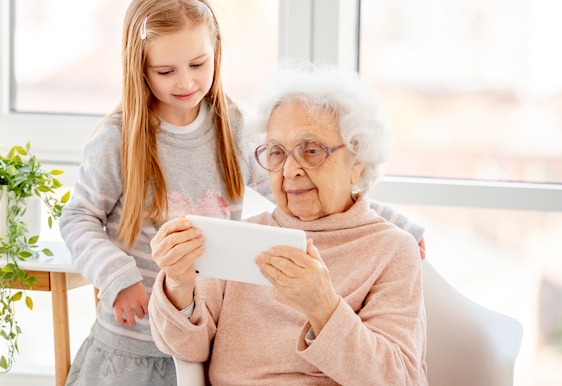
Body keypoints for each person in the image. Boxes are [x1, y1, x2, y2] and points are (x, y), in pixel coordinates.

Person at [60, 0, 424, 385]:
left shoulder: (230, 129)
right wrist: (118, 279)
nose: (185, 83)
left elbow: (302, 190)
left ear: (216, 53)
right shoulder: (119, 140)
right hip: (134, 334)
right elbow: (78, 218)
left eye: (198, 65)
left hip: (191, 332)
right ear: (139, 69)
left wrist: (398, 228)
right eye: (166, 71)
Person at [148, 63, 428, 385]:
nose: (290, 170)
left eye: (311, 150)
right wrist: (179, 285)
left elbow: (400, 379)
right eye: (277, 152)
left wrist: (324, 308)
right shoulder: (241, 237)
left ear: (357, 161)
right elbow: (186, 350)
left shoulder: (392, 250)